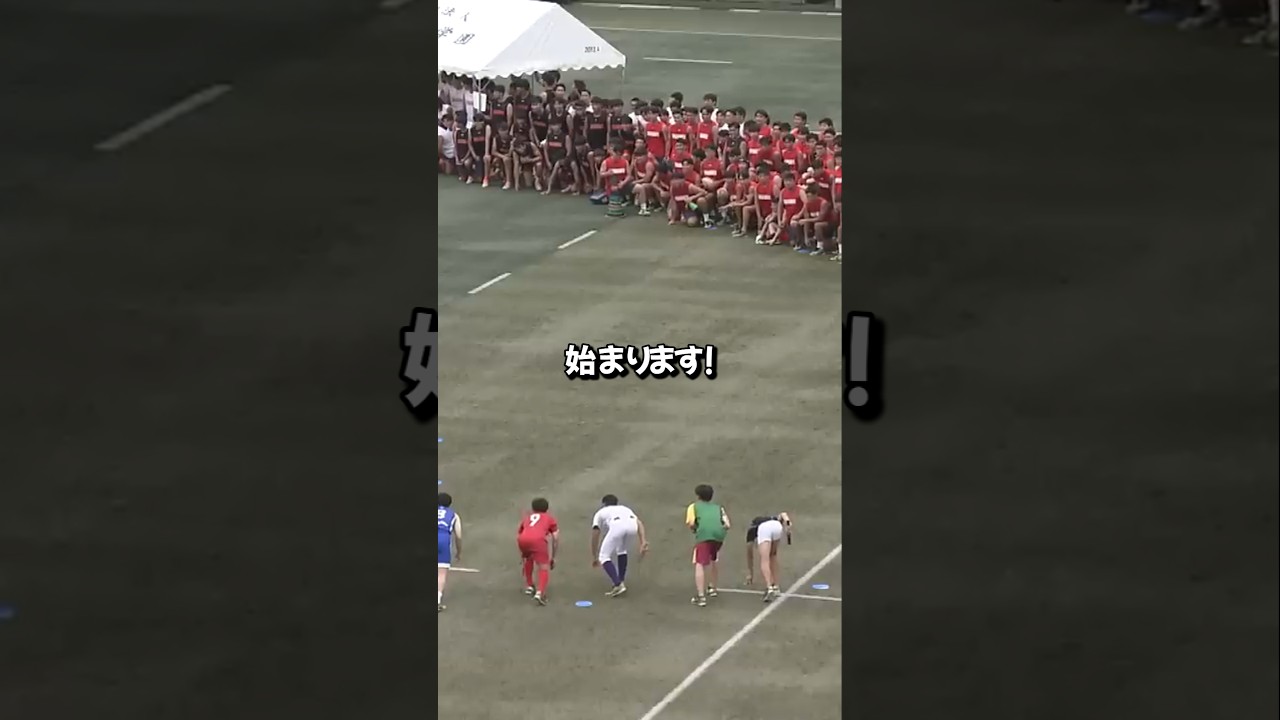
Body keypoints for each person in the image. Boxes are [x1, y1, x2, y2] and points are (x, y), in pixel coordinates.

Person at [590, 494, 649, 597]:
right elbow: (639, 523)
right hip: (632, 527)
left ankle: (618, 584)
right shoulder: (625, 509)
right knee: (622, 550)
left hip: (617, 527)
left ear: (604, 504)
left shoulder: (601, 512)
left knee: (603, 556)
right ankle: (621, 580)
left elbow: (595, 533)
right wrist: (643, 541)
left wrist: (595, 556)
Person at [685, 484, 731, 608]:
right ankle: (712, 588)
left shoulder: (693, 507)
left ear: (698, 496)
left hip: (704, 535)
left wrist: (696, 529)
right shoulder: (719, 508)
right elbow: (727, 525)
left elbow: (691, 523)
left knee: (699, 563)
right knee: (713, 558)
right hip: (719, 536)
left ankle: (701, 596)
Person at [517, 498, 560, 605]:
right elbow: (555, 537)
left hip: (522, 539)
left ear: (533, 508)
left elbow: (521, 531)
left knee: (528, 558)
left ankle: (529, 586)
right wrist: (553, 557)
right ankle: (540, 593)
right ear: (547, 508)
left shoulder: (528, 518)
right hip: (538, 540)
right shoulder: (549, 518)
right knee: (543, 566)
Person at [745, 512, 793, 603]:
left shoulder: (751, 531)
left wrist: (750, 573)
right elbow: (784, 515)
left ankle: (769, 587)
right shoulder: (773, 518)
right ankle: (776, 587)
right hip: (777, 527)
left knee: (764, 559)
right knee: (773, 555)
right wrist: (788, 523)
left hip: (765, 530)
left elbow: (749, 554)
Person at [438, 492, 463, 612]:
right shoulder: (454, 515)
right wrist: (458, 552)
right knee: (441, 573)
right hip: (443, 540)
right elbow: (458, 536)